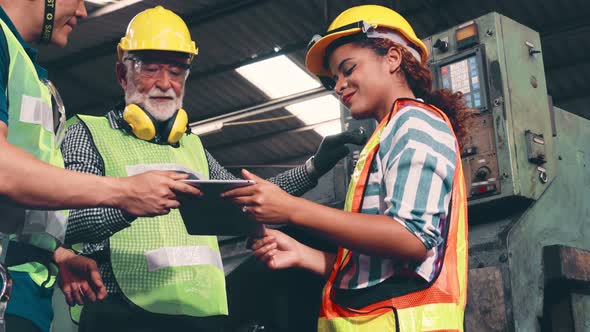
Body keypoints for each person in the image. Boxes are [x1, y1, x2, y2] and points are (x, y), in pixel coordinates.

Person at [61, 6, 364, 332]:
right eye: (150, 70)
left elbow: (249, 200)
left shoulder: (192, 146)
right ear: (123, 75)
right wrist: (128, 202)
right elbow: (65, 222)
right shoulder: (89, 133)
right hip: (122, 315)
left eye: (176, 72)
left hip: (203, 317)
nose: (165, 83)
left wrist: (313, 167)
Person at [224, 4, 470, 331]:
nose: (339, 85)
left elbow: (410, 237)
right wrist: (302, 254)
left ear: (392, 59)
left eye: (348, 69)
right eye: (335, 78)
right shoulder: (387, 133)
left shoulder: (415, 122)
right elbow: (379, 272)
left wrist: (291, 209)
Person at [0, 1, 201, 332]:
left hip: (26, 289)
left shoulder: (33, 76)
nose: (81, 12)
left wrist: (54, 254)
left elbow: (21, 202)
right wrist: (124, 192)